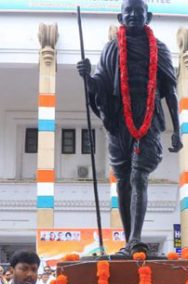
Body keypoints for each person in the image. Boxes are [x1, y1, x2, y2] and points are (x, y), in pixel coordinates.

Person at [76, 0, 182, 256]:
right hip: (119, 117)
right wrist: (87, 78)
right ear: (120, 17)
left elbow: (169, 90)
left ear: (149, 17)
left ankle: (135, 238)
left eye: (139, 12)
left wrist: (177, 129)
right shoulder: (111, 48)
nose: (134, 15)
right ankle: (128, 241)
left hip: (147, 113)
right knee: (123, 178)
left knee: (139, 175)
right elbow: (100, 86)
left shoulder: (159, 49)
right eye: (128, 12)